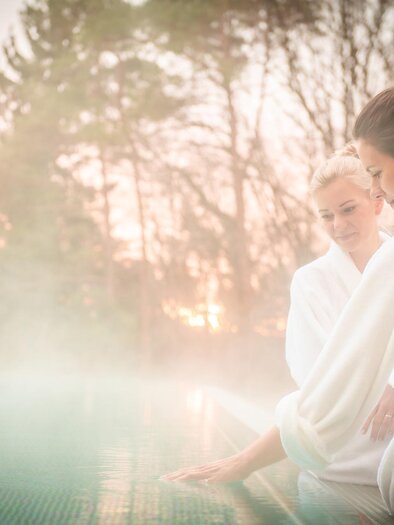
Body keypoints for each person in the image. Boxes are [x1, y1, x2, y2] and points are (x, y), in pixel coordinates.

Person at [162, 87, 394, 514]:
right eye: (326, 216)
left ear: (376, 200)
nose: (338, 225)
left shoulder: (389, 265)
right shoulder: (311, 283)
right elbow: (325, 391)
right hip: (339, 453)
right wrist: (245, 460)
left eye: (348, 209)